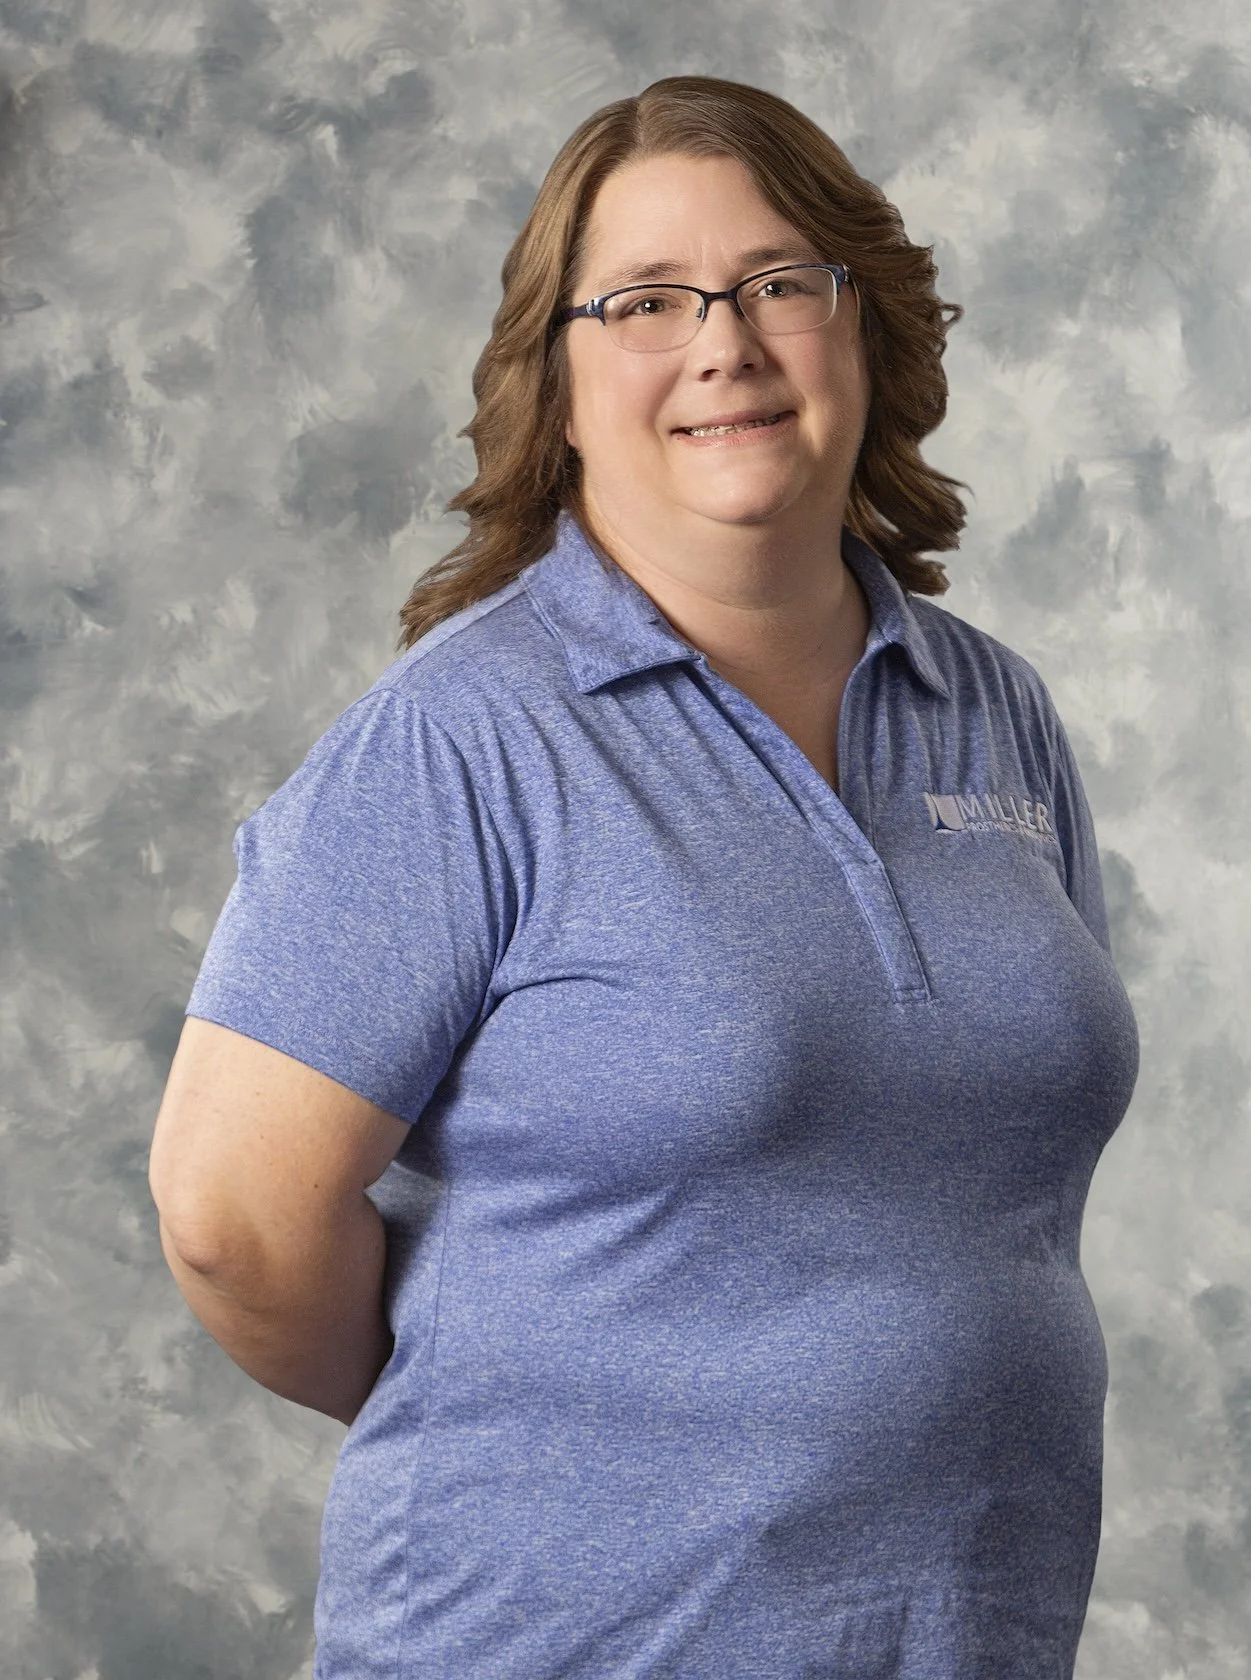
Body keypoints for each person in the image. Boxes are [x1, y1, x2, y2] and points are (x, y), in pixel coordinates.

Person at [149, 73, 1141, 1679]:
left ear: (866, 328)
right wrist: (527, 1401)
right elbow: (231, 1223)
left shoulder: (995, 712)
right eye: (648, 302)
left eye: (778, 285)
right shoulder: (461, 743)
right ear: (558, 377)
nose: (725, 346)